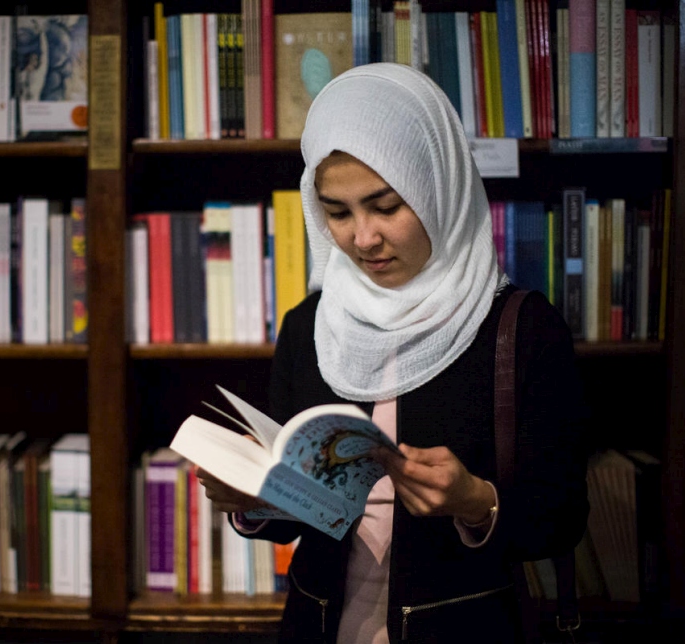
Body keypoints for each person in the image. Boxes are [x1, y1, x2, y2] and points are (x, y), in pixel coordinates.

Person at [195, 63, 590, 643]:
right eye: (337, 212)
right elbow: (294, 521)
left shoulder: (523, 328)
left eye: (385, 206)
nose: (362, 238)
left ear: (439, 187)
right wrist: (255, 499)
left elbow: (561, 519)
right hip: (319, 625)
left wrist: (475, 501)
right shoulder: (309, 325)